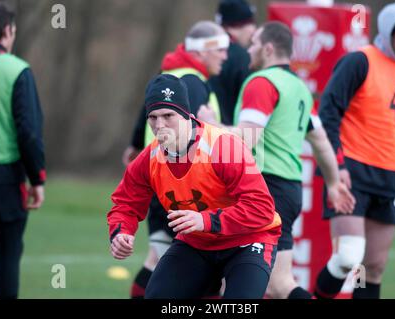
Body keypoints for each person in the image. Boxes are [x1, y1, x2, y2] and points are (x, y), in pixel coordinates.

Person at [198, 21, 355, 299]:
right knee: (279, 283)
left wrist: (209, 124)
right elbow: (319, 140)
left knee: (242, 280)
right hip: (290, 190)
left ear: (268, 49)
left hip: (262, 189)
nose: (249, 50)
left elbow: (246, 138)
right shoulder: (299, 87)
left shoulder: (261, 83)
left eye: (255, 44)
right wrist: (332, 183)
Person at [108, 74, 282, 299]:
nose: (159, 126)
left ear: (186, 115)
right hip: (198, 242)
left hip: (248, 239)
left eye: (168, 115)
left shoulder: (224, 147)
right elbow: (125, 203)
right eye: (153, 117)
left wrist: (206, 220)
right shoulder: (148, 158)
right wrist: (122, 232)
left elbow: (261, 209)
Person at [315, 2, 395, 299]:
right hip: (351, 171)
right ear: (389, 32)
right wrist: (336, 165)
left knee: (372, 267)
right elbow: (328, 112)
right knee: (347, 259)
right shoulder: (360, 61)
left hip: (389, 178)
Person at [124, 21, 229, 299]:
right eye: (220, 49)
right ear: (203, 51)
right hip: (179, 185)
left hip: (163, 181)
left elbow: (146, 108)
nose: (225, 56)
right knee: (197, 266)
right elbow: (191, 135)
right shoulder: (191, 82)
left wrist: (136, 142)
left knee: (160, 260)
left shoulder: (171, 72)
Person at [0, 3, 45, 299]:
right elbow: (28, 132)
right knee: (9, 252)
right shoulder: (17, 70)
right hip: (3, 178)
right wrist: (38, 178)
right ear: (8, 31)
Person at [209, 0, 256, 125]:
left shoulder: (203, 52)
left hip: (197, 135)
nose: (253, 30)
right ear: (236, 25)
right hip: (229, 136)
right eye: (250, 23)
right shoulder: (242, 57)